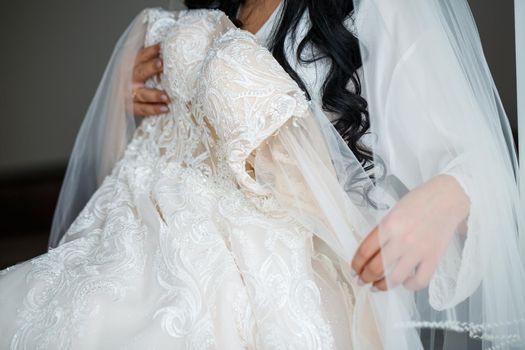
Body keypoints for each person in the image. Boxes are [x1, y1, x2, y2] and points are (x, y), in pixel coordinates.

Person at [1, 0, 524, 349]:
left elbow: (486, 165)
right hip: (130, 251)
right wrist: (127, 96)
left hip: (269, 287)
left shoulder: (381, 6)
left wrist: (453, 194)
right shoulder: (217, 6)